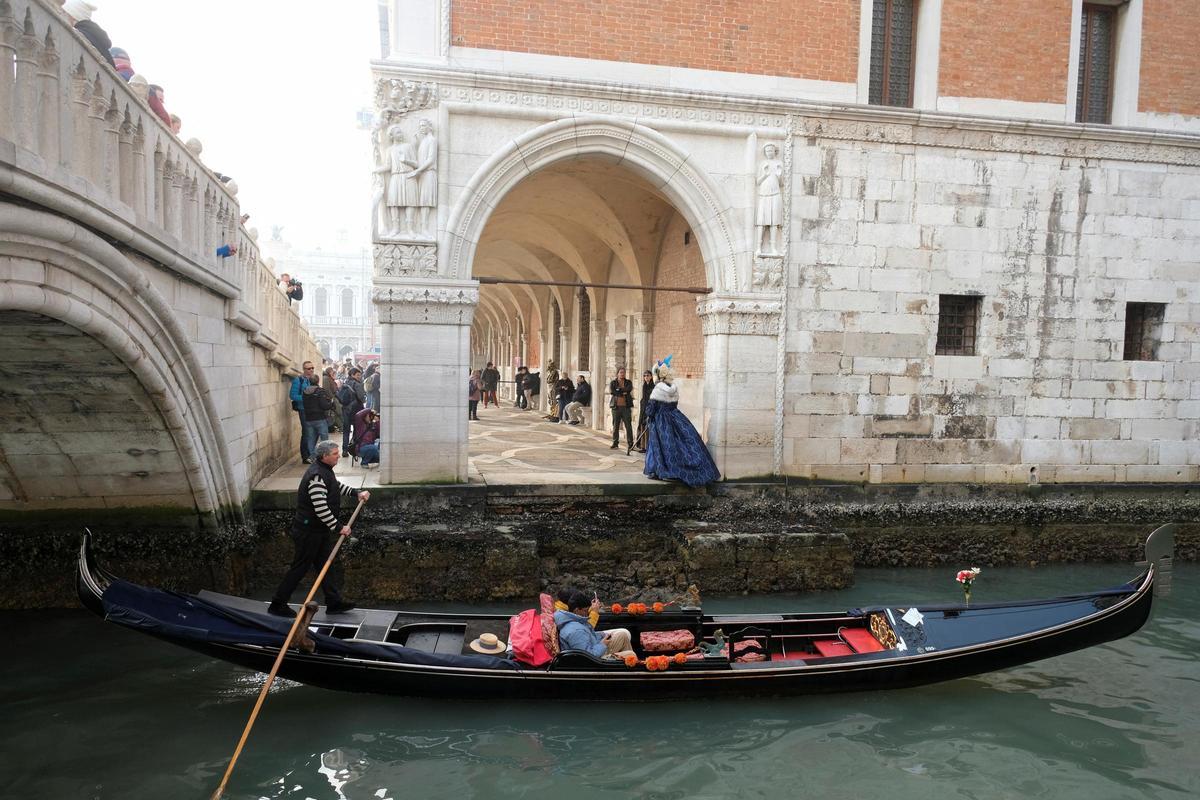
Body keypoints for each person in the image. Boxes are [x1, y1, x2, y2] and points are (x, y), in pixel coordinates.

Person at [268, 440, 368, 617]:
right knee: (300, 567)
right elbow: (321, 509)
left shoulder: (325, 472)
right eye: (335, 454)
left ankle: (333, 602)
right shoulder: (316, 476)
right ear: (325, 456)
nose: (339, 456)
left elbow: (335, 487)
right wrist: (339, 527)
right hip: (308, 532)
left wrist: (356, 493)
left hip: (318, 530)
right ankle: (277, 604)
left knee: (325, 565)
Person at [643, 361, 721, 487]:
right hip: (676, 417)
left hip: (660, 421)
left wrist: (648, 415)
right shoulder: (673, 388)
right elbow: (674, 405)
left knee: (662, 446)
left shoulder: (657, 390)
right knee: (680, 443)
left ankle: (664, 471)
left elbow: (651, 409)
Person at [553, 590, 634, 660]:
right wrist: (602, 644)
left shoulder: (575, 621)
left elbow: (588, 636)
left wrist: (601, 635)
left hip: (595, 647)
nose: (587, 613)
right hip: (594, 660)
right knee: (631, 655)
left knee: (622, 635)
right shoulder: (576, 631)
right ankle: (628, 666)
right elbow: (586, 657)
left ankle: (626, 665)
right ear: (577, 610)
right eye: (585, 611)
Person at [63, 2, 116, 69]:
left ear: (73, 17)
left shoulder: (79, 35)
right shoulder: (94, 37)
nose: (62, 15)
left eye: (65, 13)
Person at [300, 376, 333, 463]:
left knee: (311, 438)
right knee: (324, 438)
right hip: (319, 418)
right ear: (318, 381)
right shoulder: (320, 391)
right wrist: (331, 404)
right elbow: (324, 405)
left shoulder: (305, 391)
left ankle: (312, 456)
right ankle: (324, 456)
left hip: (309, 418)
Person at [289, 362, 316, 463]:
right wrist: (306, 398)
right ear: (304, 369)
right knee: (307, 432)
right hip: (303, 410)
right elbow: (292, 395)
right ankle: (305, 456)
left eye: (312, 368)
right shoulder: (298, 380)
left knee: (313, 432)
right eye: (308, 368)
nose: (311, 370)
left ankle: (311, 454)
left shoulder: (313, 380)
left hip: (313, 410)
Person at [338, 368, 366, 451]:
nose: (359, 376)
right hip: (356, 409)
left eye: (360, 375)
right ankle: (353, 448)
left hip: (345, 409)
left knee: (346, 430)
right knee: (357, 429)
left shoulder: (345, 383)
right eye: (358, 375)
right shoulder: (357, 384)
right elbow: (362, 398)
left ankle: (345, 450)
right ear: (352, 375)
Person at [608, 367, 634, 449]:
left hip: (626, 407)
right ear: (617, 373)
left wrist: (619, 390)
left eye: (623, 372)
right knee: (615, 426)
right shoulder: (613, 382)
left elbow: (629, 389)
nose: (622, 374)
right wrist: (623, 392)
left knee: (628, 426)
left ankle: (630, 443)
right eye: (621, 372)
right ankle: (615, 443)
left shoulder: (628, 382)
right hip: (616, 407)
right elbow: (612, 391)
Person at [634, 369, 654, 453]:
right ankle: (643, 446)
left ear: (651, 376)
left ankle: (648, 446)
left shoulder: (653, 386)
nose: (646, 377)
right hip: (643, 408)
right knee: (642, 425)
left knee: (648, 428)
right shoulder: (644, 386)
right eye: (644, 376)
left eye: (648, 375)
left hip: (649, 408)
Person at [322, 366, 341, 433]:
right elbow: (327, 389)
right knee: (337, 412)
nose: (333, 373)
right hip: (330, 398)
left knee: (337, 412)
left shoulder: (329, 378)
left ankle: (340, 426)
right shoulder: (326, 378)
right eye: (332, 371)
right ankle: (339, 427)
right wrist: (332, 397)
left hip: (333, 397)